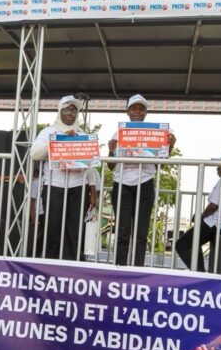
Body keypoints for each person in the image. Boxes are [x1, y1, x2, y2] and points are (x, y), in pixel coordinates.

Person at [107, 94, 176, 266]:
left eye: (141, 109)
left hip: (145, 183)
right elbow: (110, 166)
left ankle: (137, 268)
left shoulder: (154, 133)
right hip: (122, 183)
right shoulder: (118, 132)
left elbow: (160, 164)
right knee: (122, 230)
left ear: (146, 112)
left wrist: (170, 146)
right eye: (134, 108)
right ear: (128, 112)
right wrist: (110, 150)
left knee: (141, 231)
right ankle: (119, 267)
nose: (137, 112)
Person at [30, 95, 98, 260]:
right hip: (55, 186)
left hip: (78, 186)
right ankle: (51, 264)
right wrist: (59, 142)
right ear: (59, 111)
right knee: (53, 227)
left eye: (74, 110)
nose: (71, 113)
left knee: (74, 230)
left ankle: (73, 265)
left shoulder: (82, 133)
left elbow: (89, 165)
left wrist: (93, 189)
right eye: (67, 109)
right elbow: (34, 154)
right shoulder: (48, 132)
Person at [175, 150, 221, 272]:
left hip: (214, 223)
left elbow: (213, 206)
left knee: (181, 244)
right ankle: (198, 269)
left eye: (220, 165)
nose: (217, 168)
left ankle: (198, 271)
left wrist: (200, 216)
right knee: (195, 242)